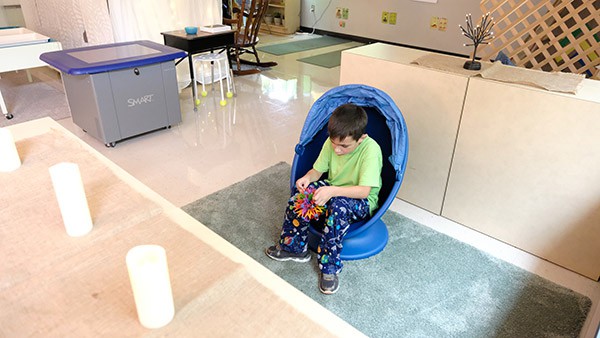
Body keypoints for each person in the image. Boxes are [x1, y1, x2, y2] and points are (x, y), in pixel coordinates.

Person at [265, 103, 383, 294]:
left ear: (361, 138)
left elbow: (363, 191)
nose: (337, 150)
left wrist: (332, 191)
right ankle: (294, 247)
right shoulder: (332, 143)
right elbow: (317, 171)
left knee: (337, 208)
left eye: (344, 146)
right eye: (334, 143)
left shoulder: (371, 150)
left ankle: (329, 268)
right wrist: (307, 179)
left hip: (360, 200)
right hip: (333, 188)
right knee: (301, 197)